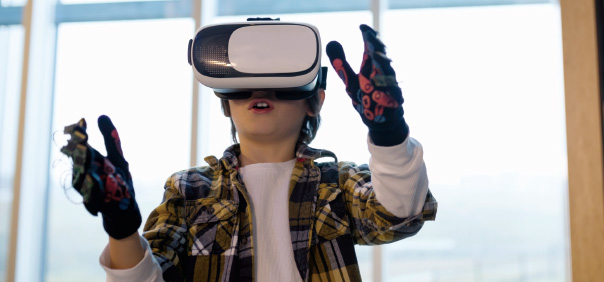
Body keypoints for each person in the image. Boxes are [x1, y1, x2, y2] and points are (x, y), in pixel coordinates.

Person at [60, 22, 437, 282]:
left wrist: (389, 133)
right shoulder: (189, 190)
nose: (261, 91)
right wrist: (121, 229)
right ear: (226, 103)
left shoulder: (336, 184)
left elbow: (398, 214)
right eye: (245, 84)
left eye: (280, 82)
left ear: (315, 101)